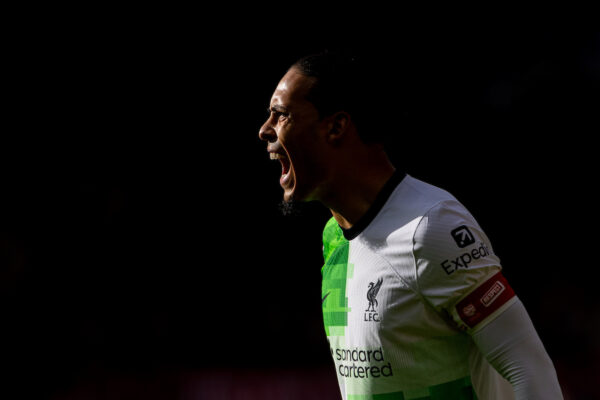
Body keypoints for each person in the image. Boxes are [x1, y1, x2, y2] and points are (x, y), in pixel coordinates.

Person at [258, 50, 563, 400]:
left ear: (336, 126)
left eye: (280, 115)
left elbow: (531, 371)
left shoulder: (432, 227)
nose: (264, 129)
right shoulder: (333, 237)